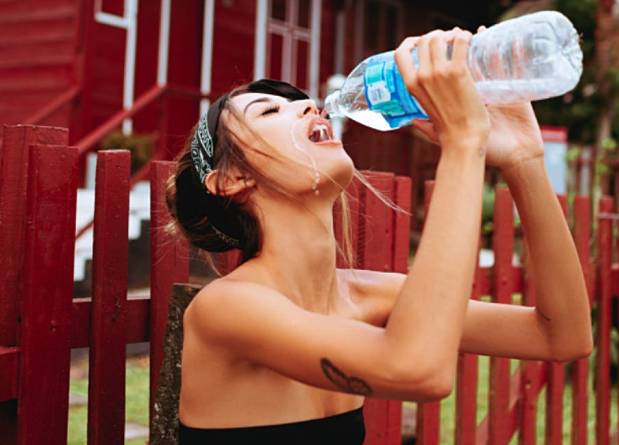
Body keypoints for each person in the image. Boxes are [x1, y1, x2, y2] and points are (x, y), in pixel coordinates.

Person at [165, 26, 593, 445]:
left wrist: (524, 159)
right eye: (269, 111)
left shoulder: (364, 296)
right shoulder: (226, 308)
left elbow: (562, 336)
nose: (311, 107)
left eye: (301, 102)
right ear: (231, 180)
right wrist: (463, 143)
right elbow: (416, 369)